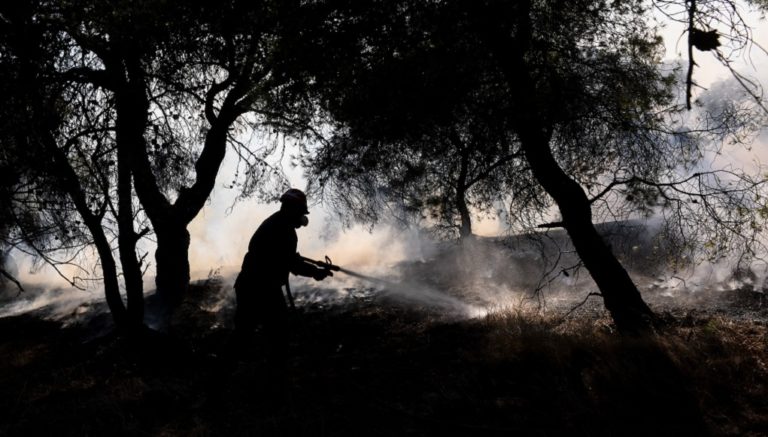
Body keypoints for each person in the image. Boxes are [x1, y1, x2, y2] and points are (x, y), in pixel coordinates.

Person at [233, 188, 332, 339]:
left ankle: (229, 359)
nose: (302, 217)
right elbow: (290, 262)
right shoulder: (284, 229)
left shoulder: (275, 223)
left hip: (252, 285)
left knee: (245, 332)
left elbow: (285, 257)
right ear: (292, 209)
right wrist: (315, 272)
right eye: (300, 212)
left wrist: (309, 267)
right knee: (276, 332)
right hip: (261, 288)